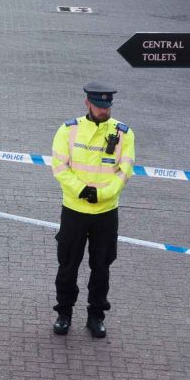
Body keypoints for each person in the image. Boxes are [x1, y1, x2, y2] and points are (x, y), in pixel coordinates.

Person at [50, 83, 136, 338]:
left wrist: (102, 194)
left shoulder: (123, 133)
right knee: (68, 265)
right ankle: (63, 313)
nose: (103, 110)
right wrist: (81, 189)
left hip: (106, 212)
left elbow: (125, 171)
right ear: (87, 103)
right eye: (99, 106)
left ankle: (96, 315)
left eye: (107, 106)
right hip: (74, 209)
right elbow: (59, 166)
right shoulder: (68, 130)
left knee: (102, 266)